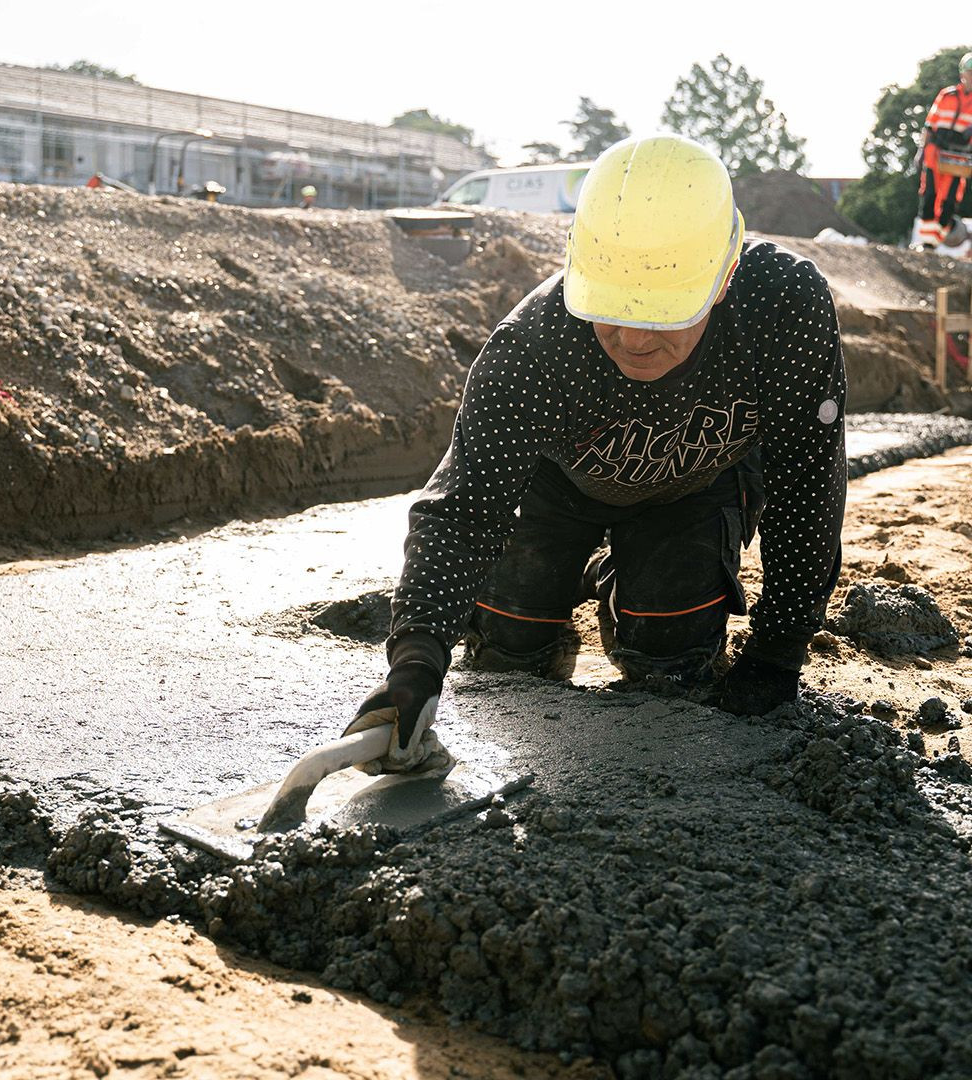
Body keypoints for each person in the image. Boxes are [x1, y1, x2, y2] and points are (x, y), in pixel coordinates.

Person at [346, 133, 848, 768]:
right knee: (509, 652)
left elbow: (808, 486)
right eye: (611, 308)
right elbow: (465, 507)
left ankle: (632, 587)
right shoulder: (533, 347)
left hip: (697, 487)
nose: (633, 338)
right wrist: (414, 665)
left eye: (665, 314)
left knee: (670, 658)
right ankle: (557, 597)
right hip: (555, 490)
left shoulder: (782, 309)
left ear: (723, 280)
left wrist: (779, 651)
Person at [916, 53, 972, 249]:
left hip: (960, 156)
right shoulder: (946, 95)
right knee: (930, 195)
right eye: (971, 73)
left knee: (949, 200)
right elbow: (929, 126)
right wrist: (921, 151)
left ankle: (937, 239)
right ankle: (926, 241)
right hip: (936, 151)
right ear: (962, 74)